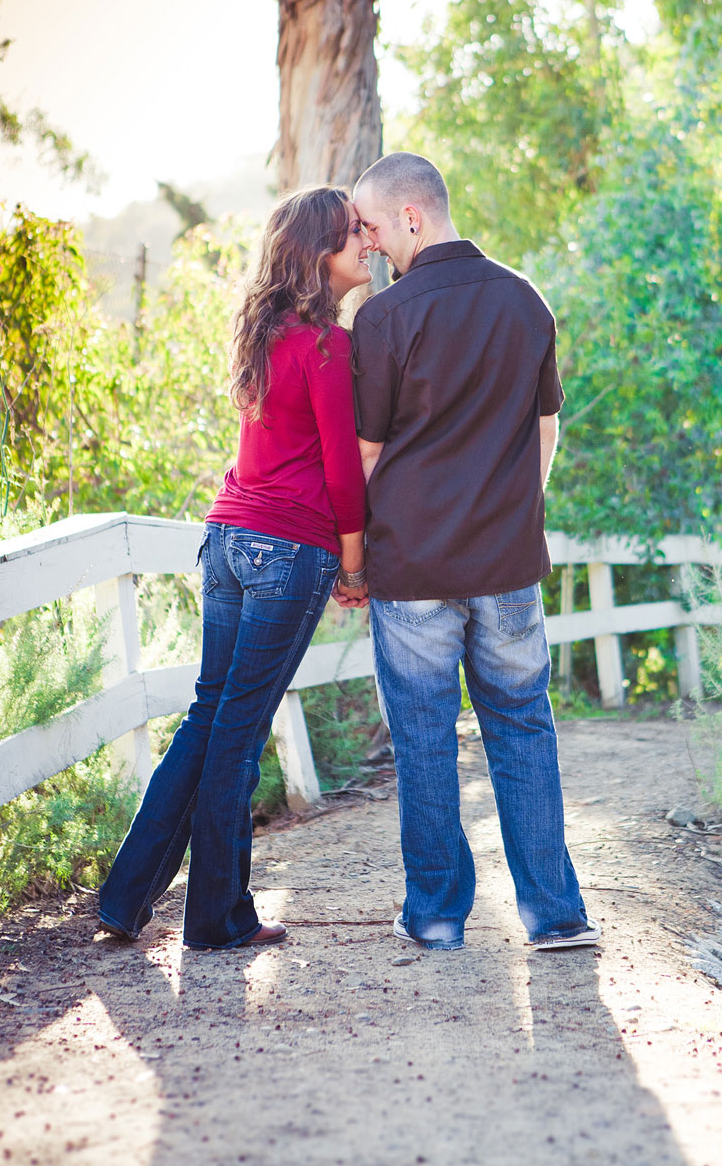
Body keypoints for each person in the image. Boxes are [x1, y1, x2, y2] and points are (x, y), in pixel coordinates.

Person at [98, 187, 372, 950]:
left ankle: (125, 898)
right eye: (354, 231)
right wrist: (354, 564)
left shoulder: (264, 332)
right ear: (320, 249)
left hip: (226, 542)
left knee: (209, 718)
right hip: (288, 547)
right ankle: (217, 918)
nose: (368, 242)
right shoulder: (325, 343)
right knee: (237, 735)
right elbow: (344, 473)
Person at [351, 152, 598, 953]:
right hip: (507, 561)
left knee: (423, 738)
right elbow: (545, 429)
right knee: (523, 726)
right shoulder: (527, 301)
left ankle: (436, 915)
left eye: (378, 228)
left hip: (412, 564)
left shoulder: (384, 321)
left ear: (412, 218)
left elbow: (367, 455)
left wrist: (354, 556)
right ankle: (556, 915)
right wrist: (515, 509)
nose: (374, 245)